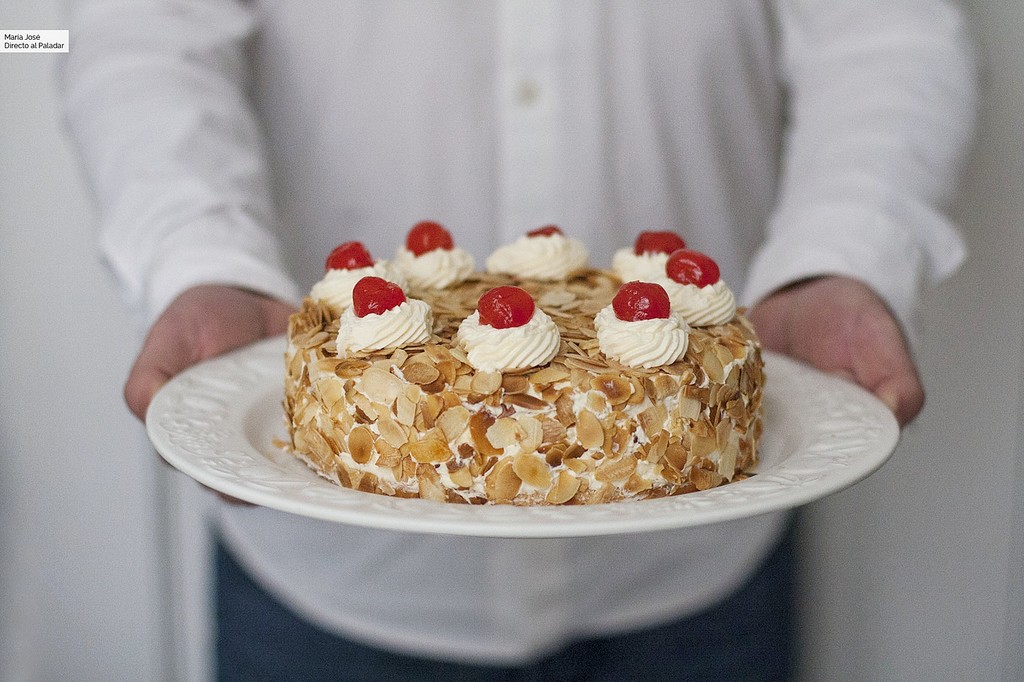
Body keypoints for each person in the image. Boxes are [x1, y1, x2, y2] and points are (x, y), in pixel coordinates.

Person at [62, 1, 976, 680]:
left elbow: (886, 31)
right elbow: (132, 26)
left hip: (704, 564)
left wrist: (843, 257)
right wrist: (200, 256)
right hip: (327, 577)